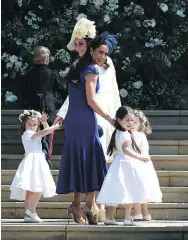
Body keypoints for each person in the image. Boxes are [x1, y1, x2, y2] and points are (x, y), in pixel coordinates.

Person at [54, 18, 121, 221]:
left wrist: (62, 115)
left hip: (76, 118)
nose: (103, 56)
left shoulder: (77, 66)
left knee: (80, 159)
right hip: (88, 116)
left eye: (80, 42)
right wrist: (111, 118)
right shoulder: (90, 69)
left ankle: (79, 205)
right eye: (100, 52)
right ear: (93, 49)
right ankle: (88, 206)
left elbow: (79, 95)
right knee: (91, 159)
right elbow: (91, 99)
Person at [96, 106, 161, 226]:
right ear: (119, 121)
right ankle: (127, 218)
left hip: (119, 164)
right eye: (127, 120)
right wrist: (140, 157)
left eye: (132, 120)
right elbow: (126, 150)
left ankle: (109, 218)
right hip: (127, 163)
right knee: (129, 190)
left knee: (116, 192)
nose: (131, 123)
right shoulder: (125, 134)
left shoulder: (118, 132)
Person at [10, 110, 61, 223]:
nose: (32, 127)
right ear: (25, 124)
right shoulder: (27, 133)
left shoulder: (34, 132)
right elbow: (43, 133)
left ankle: (29, 213)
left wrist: (44, 122)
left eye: (35, 125)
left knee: (32, 190)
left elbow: (45, 131)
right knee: (38, 187)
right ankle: (31, 211)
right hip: (33, 160)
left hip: (38, 159)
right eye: (30, 124)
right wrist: (55, 126)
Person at [24, 46, 60, 168]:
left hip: (33, 107)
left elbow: (23, 90)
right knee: (48, 133)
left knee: (33, 132)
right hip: (49, 107)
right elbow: (61, 89)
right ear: (47, 58)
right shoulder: (52, 73)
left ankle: (34, 158)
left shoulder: (29, 74)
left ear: (35, 58)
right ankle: (46, 157)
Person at [131, 110, 162, 221]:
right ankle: (145, 213)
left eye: (135, 122)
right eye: (130, 121)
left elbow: (141, 152)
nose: (132, 124)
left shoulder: (137, 136)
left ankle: (138, 212)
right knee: (141, 190)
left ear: (140, 124)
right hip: (144, 164)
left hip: (138, 165)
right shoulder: (140, 135)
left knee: (136, 190)